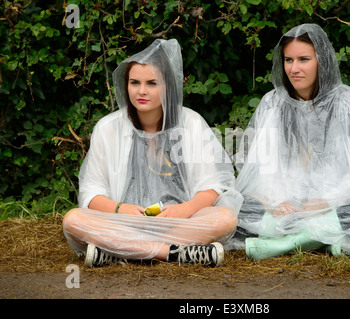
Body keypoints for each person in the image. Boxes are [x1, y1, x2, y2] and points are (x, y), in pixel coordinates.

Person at [227, 24, 350, 259]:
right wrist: (277, 202)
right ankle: (326, 238)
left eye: (303, 59)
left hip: (335, 207)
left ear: (322, 61)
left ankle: (284, 243)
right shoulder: (272, 104)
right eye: (288, 60)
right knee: (234, 203)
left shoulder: (349, 104)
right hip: (285, 208)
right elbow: (258, 169)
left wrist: (326, 201)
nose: (294, 69)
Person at [63, 39, 243, 267]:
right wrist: (121, 209)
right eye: (134, 82)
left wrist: (183, 210)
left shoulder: (191, 123)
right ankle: (172, 253)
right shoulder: (108, 128)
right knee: (73, 219)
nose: (141, 91)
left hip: (179, 221)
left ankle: (120, 252)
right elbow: (91, 193)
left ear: (168, 85)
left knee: (224, 218)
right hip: (123, 222)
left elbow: (213, 185)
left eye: (151, 83)